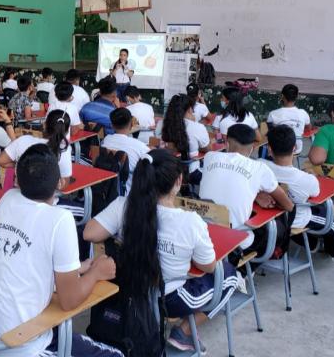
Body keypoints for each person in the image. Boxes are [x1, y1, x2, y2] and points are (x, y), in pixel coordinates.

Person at [0, 144, 120, 357]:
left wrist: (76, 268)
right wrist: (97, 273)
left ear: (17, 180)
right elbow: (68, 301)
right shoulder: (60, 219)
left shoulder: (6, 200)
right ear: (60, 183)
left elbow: (28, 259)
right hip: (16, 345)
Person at [84, 149, 237, 353]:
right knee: (229, 274)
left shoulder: (123, 206)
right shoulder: (190, 222)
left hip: (131, 291)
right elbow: (208, 266)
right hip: (169, 300)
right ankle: (183, 331)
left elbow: (89, 233)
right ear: (178, 181)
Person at [199, 124, 294, 252]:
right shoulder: (259, 169)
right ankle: (248, 268)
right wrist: (258, 196)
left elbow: (228, 183)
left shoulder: (209, 157)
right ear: (253, 148)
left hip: (204, 231)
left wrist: (255, 195)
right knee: (275, 226)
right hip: (236, 239)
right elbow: (288, 206)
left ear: (227, 143)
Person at [262, 126, 334, 261]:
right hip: (296, 219)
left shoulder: (259, 166)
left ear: (269, 149)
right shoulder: (305, 179)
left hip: (267, 220)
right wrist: (310, 176)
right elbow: (316, 192)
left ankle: (311, 243)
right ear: (294, 148)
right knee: (332, 222)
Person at [0, 110, 73, 182]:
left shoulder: (23, 140)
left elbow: (0, 161)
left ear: (44, 125)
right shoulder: (64, 149)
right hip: (46, 193)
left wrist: (20, 164)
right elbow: (64, 183)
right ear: (66, 132)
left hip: (21, 190)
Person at [101, 108, 150, 190]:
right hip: (129, 189)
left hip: (106, 187)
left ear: (112, 125)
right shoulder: (140, 146)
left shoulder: (106, 140)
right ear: (131, 124)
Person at [162, 94, 210, 162]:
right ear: (190, 109)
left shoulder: (167, 124)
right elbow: (208, 149)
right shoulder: (197, 127)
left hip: (171, 167)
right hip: (192, 169)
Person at [266, 84, 311, 154]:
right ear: (296, 97)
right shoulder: (303, 113)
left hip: (278, 147)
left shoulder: (273, 114)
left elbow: (270, 132)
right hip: (297, 148)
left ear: (282, 96)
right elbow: (308, 129)